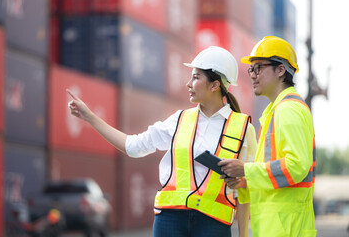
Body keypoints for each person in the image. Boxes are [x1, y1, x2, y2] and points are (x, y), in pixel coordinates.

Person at [67, 46, 257, 237]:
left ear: (215, 85)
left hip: (213, 225)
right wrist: (89, 117)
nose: (188, 84)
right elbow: (133, 147)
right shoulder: (179, 120)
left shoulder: (243, 129)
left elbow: (246, 188)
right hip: (170, 220)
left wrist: (243, 235)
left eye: (196, 77)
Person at [218, 36, 316, 236]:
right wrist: (246, 180)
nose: (252, 75)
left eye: (258, 68)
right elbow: (277, 171)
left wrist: (246, 170)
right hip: (279, 225)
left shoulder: (288, 110)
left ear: (281, 70)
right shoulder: (276, 111)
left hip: (286, 227)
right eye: (251, 69)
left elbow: (297, 165)